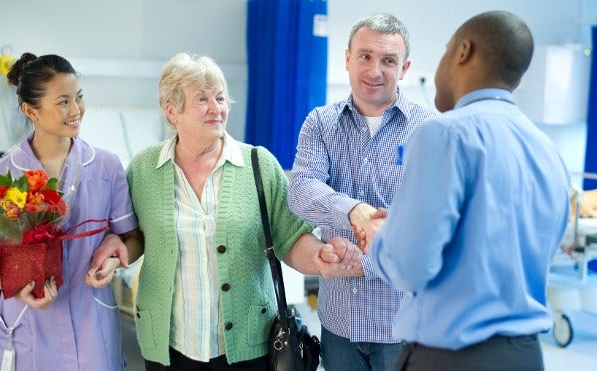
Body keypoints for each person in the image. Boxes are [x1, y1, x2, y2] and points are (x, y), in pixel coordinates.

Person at [92, 52, 362, 370]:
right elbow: (132, 234)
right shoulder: (144, 169)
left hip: (249, 346)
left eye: (220, 98)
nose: (216, 108)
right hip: (170, 347)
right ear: (171, 111)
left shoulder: (258, 164)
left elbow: (292, 238)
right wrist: (116, 247)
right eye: (202, 99)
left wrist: (320, 257)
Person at [363, 11, 571, 370]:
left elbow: (410, 268)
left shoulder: (443, 134)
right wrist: (406, 223)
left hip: (451, 358)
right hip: (525, 356)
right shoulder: (546, 148)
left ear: (463, 51)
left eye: (444, 52)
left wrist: (381, 236)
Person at [0, 52, 142, 370]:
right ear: (30, 110)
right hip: (27, 320)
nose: (76, 110)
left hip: (91, 317)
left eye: (79, 97)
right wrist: (20, 292)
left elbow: (133, 238)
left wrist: (114, 260)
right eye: (63, 102)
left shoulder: (106, 166)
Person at [287, 13, 436, 371]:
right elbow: (302, 190)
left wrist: (362, 264)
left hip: (402, 326)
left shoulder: (430, 131)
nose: (374, 70)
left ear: (404, 68)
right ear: (347, 59)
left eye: (388, 60)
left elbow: (431, 227)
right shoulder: (320, 123)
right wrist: (355, 211)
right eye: (365, 56)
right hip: (339, 325)